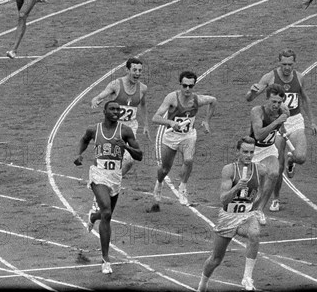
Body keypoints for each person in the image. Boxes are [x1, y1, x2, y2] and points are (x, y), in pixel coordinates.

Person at [73, 100, 143, 274]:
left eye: (118, 110)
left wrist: (125, 147)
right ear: (104, 111)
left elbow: (140, 155)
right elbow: (84, 140)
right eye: (112, 109)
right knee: (107, 213)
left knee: (106, 215)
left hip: (115, 177)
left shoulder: (125, 131)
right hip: (98, 174)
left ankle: (92, 216)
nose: (116, 112)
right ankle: (106, 260)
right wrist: (79, 155)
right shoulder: (93, 129)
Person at [245, 49, 317, 213]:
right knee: (277, 165)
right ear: (279, 63)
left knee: (301, 157)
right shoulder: (269, 77)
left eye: (290, 65)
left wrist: (312, 121)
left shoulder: (299, 77)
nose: (286, 68)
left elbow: (304, 98)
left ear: (294, 63)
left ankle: (291, 161)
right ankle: (276, 199)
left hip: (295, 120)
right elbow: (249, 98)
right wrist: (252, 92)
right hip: (276, 122)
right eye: (284, 64)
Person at [197, 136, 267, 292]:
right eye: (245, 152)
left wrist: (257, 206)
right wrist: (237, 187)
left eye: (251, 152)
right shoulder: (229, 170)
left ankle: (247, 278)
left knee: (254, 234)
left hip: (246, 217)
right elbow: (223, 200)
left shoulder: (259, 169)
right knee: (216, 259)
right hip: (227, 217)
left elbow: (264, 188)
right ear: (238, 152)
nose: (248, 155)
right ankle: (203, 284)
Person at [87, 57, 151, 224]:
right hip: (113, 128)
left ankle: (107, 186)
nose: (137, 73)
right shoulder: (117, 84)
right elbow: (105, 93)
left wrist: (145, 125)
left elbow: (142, 105)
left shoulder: (143, 88)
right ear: (127, 70)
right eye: (134, 70)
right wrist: (97, 99)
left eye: (140, 70)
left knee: (128, 162)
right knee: (108, 160)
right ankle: (101, 190)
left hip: (130, 128)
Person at [151, 71, 217, 209]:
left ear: (194, 86)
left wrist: (206, 121)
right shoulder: (172, 98)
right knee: (164, 169)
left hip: (188, 136)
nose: (187, 89)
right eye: (185, 86)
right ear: (180, 84)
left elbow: (213, 101)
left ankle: (182, 188)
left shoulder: (197, 100)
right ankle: (159, 183)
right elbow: (155, 118)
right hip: (171, 136)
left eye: (190, 86)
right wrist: (170, 123)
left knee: (188, 160)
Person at [248, 83, 289, 225]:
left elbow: (282, 123)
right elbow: (258, 134)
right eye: (273, 101)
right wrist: (278, 121)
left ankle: (260, 210)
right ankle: (247, 210)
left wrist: (281, 127)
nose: (276, 105)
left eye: (279, 102)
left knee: (274, 173)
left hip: (269, 149)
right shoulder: (257, 111)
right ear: (266, 99)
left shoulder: (284, 111)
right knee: (254, 188)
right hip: (253, 151)